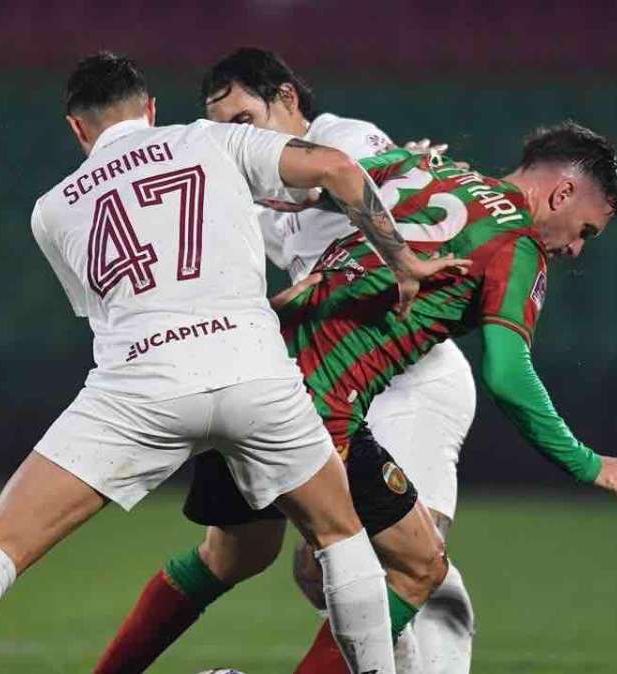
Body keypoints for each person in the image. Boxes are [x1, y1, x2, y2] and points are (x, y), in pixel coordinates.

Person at [0, 51, 467, 674]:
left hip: (143, 385)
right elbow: (334, 169)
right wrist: (406, 263)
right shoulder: (212, 142)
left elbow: (106, 309)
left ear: (77, 129)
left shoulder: (51, 209)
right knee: (342, 540)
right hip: (256, 373)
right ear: (150, 110)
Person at [94, 121, 617, 674]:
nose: (576, 250)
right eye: (586, 230)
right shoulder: (517, 245)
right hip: (313, 406)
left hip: (248, 362)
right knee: (418, 567)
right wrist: (589, 464)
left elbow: (311, 195)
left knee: (235, 553)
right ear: (562, 193)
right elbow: (509, 377)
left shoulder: (420, 167)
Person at [205, 48, 480, 673]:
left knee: (410, 556)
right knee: (317, 570)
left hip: (416, 382)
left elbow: (352, 178)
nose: (235, 140)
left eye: (244, 121)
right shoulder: (247, 197)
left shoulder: (341, 136)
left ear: (287, 100)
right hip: (340, 391)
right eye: (223, 130)